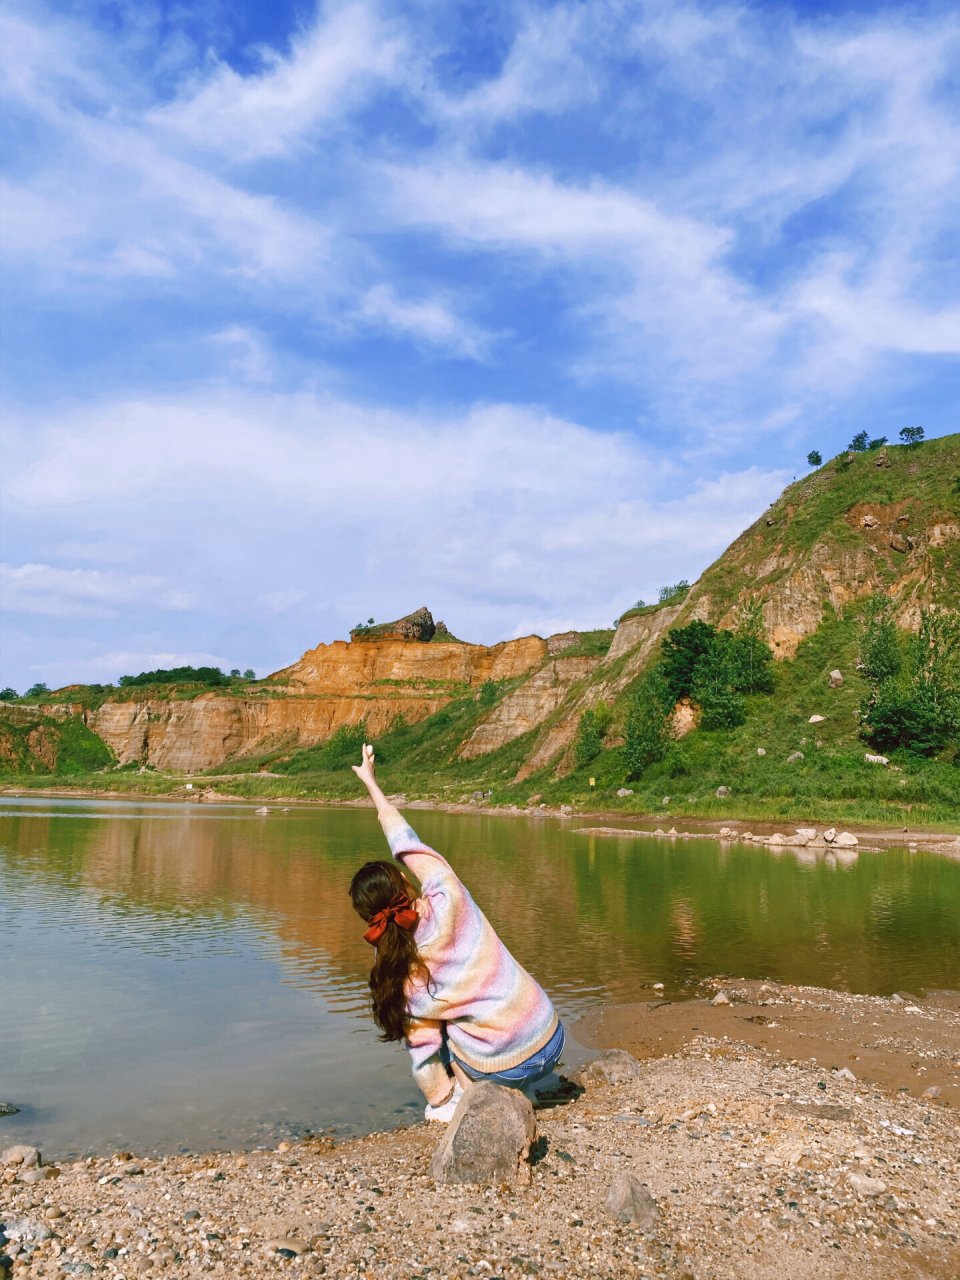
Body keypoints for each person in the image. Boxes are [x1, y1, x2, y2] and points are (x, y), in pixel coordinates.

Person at [349, 743, 564, 1122]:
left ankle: (470, 1098)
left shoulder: (403, 970)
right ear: (404, 880)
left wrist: (438, 1098)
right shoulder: (448, 893)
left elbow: (423, 1048)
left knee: (439, 1026)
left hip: (505, 1066)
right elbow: (407, 843)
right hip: (550, 1035)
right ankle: (524, 1085)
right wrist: (373, 786)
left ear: (369, 919)